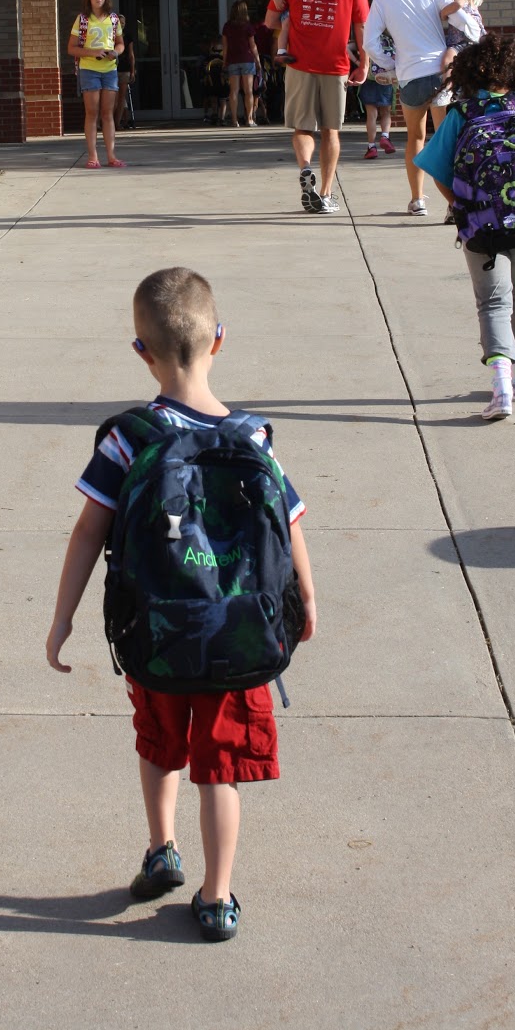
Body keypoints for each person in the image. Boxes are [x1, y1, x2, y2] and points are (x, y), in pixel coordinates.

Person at [46, 267, 317, 942]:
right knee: (218, 770)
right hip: (242, 634)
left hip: (158, 630)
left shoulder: (128, 438)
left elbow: (89, 531)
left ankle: (160, 850)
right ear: (218, 340)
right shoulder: (254, 438)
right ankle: (217, 896)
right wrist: (304, 602)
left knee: (159, 742)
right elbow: (289, 528)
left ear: (142, 351)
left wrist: (63, 619)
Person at [413, 33, 515, 420]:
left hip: (481, 226)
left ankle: (500, 387)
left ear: (469, 72)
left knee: (492, 300)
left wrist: (461, 206)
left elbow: (436, 169)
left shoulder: (462, 114)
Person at [268, 0, 369, 214]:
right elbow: (362, 24)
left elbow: (271, 20)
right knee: (331, 131)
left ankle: (305, 168)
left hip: (299, 62)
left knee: (302, 127)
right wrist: (363, 63)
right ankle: (325, 193)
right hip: (336, 64)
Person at [365, 0, 464, 217]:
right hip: (440, 74)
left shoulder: (383, 0)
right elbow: (460, 18)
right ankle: (454, 203)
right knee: (445, 140)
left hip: (410, 76)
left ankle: (417, 199)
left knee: (415, 138)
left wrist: (390, 63)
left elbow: (370, 41)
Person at [67, 0, 126, 168]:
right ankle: (93, 157)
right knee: (92, 113)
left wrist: (115, 52)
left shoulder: (114, 19)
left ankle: (111, 156)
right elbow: (71, 48)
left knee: (108, 113)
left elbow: (120, 43)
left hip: (109, 70)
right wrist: (92, 52)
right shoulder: (82, 19)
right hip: (89, 70)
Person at [437, 0, 487, 108]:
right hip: (468, 43)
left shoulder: (461, 1)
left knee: (447, 61)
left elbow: (443, 15)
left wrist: (452, 6)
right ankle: (451, 90)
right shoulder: (472, 6)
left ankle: (446, 89)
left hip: (459, 43)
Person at [221, 0, 260, 127]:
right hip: (247, 60)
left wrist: (224, 62)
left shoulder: (227, 26)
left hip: (232, 60)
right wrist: (258, 61)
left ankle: (234, 120)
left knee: (234, 91)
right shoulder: (248, 26)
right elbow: (253, 46)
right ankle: (249, 119)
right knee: (248, 91)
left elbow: (225, 46)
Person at [360, 27, 397, 159]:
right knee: (385, 112)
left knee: (371, 115)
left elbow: (348, 48)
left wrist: (358, 64)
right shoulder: (391, 38)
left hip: (370, 78)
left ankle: (371, 147)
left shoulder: (369, 37)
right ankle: (385, 137)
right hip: (386, 78)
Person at [116, 31, 136, 130]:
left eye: (123, 23)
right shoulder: (110, 35)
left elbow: (131, 54)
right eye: (120, 22)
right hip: (112, 70)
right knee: (113, 98)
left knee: (121, 97)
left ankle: (117, 122)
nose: (121, 25)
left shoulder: (128, 37)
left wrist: (132, 71)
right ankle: (110, 122)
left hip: (125, 70)